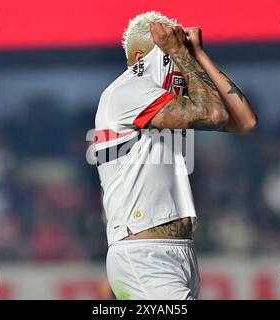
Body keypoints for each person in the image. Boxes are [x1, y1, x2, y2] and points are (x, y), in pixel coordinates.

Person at [94, 11, 258, 300]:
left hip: (179, 253)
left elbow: (245, 121)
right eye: (168, 57)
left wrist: (199, 55)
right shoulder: (126, 90)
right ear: (140, 56)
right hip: (144, 255)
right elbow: (215, 113)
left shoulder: (166, 104)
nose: (178, 67)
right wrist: (178, 50)